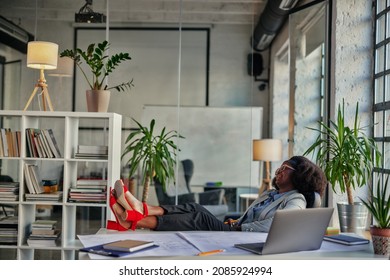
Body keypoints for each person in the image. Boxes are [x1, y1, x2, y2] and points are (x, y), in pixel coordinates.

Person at [108, 156, 327, 232]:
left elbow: (278, 226)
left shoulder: (295, 199)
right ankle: (136, 216)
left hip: (244, 238)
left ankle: (138, 216)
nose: (279, 170)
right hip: (237, 230)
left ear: (299, 176)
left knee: (199, 215)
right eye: (280, 166)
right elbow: (251, 216)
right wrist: (238, 221)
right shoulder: (270, 194)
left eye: (285, 168)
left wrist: (240, 227)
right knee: (195, 208)